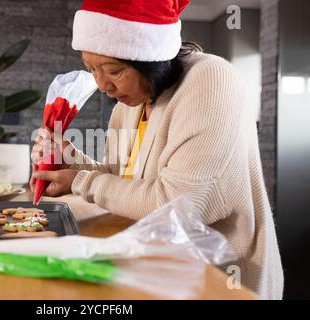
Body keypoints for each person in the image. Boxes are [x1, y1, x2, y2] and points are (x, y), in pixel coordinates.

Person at [30, 0, 283, 299]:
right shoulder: (133, 101)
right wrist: (69, 160)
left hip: (218, 278)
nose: (102, 85)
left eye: (113, 70)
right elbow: (121, 180)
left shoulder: (212, 81)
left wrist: (80, 181)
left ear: (152, 58)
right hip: (156, 266)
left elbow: (178, 206)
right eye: (91, 69)